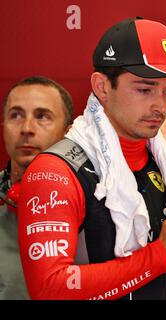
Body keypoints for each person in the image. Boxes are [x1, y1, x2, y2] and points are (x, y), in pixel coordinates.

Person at [17, 18, 166, 300]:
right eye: (145, 89)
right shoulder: (54, 172)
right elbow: (50, 290)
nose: (159, 104)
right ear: (103, 87)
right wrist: (164, 254)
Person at [1, 76, 73, 299]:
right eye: (16, 115)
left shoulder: (96, 201)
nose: (26, 128)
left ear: (67, 132)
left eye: (42, 116)